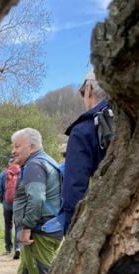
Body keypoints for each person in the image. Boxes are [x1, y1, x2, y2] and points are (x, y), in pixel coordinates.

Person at [0, 128, 62, 274]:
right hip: (47, 227)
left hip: (39, 231)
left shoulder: (34, 165)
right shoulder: (46, 161)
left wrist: (26, 227)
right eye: (13, 146)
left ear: (32, 147)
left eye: (17, 146)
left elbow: (36, 198)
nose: (13, 151)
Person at [59, 69, 110, 233]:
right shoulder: (134, 118)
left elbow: (74, 189)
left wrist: (71, 230)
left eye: (83, 93)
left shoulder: (84, 129)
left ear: (89, 89)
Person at [0, 159, 21, 259]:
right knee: (18, 225)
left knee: (8, 225)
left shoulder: (3, 174)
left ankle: (8, 248)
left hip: (7, 204)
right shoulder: (22, 171)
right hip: (19, 204)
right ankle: (18, 247)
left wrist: (3, 201)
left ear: (9, 163)